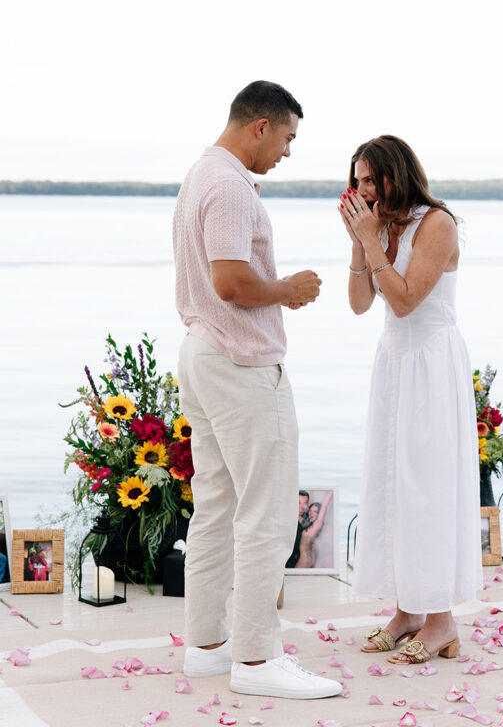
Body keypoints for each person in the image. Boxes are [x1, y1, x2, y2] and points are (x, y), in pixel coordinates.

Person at [173, 80, 341, 700]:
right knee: (267, 515)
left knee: (216, 507)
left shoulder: (202, 174)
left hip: (204, 352)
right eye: (288, 138)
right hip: (239, 362)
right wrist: (288, 290)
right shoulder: (228, 186)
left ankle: (207, 647)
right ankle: (256, 658)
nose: (288, 152)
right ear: (261, 126)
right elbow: (231, 282)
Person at [339, 135, 482, 665]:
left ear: (396, 175)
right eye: (357, 181)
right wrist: (360, 242)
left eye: (371, 179)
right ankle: (407, 611)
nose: (363, 190)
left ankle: (442, 620)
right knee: (393, 486)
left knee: (428, 488)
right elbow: (360, 304)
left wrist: (370, 239)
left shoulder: (436, 223)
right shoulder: (381, 226)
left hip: (431, 365)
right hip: (394, 364)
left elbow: (404, 301)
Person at [295, 490, 334, 569]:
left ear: (319, 514)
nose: (311, 513)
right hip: (303, 563)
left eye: (315, 512)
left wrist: (330, 493)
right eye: (310, 511)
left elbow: (324, 506)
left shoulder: (315, 526)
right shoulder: (306, 525)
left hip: (304, 564)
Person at [285, 490, 310, 568]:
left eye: (305, 503)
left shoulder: (308, 518)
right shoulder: (286, 520)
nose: (302, 507)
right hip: (288, 560)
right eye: (298, 503)